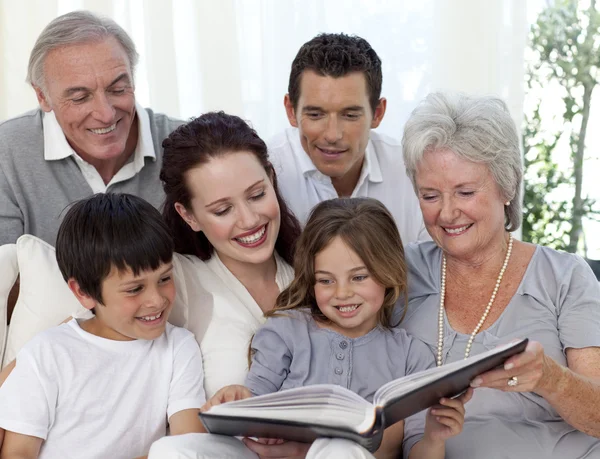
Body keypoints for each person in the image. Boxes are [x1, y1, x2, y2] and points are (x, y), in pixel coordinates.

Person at [398, 92, 600, 458]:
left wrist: (551, 379)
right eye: (430, 195)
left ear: (507, 186)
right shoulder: (399, 272)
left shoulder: (566, 276)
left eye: (465, 192)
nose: (446, 213)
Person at [204, 198, 472, 459]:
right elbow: (256, 403)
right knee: (180, 449)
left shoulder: (411, 355)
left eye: (358, 277)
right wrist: (239, 399)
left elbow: (412, 449)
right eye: (326, 280)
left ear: (387, 271)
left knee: (339, 451)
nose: (342, 293)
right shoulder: (287, 330)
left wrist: (433, 438)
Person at [0, 193, 206, 459]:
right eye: (135, 289)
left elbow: (186, 445)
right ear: (84, 292)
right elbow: (18, 453)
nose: (157, 300)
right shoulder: (47, 352)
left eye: (165, 278)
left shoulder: (179, 347)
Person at [0, 10, 182, 247]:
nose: (106, 115)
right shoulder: (6, 152)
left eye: (117, 90)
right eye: (79, 98)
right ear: (42, 96)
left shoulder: (188, 146)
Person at [268, 33, 428, 244]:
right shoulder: (263, 172)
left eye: (350, 115)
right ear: (291, 110)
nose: (332, 135)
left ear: (378, 113)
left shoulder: (412, 171)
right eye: (315, 114)